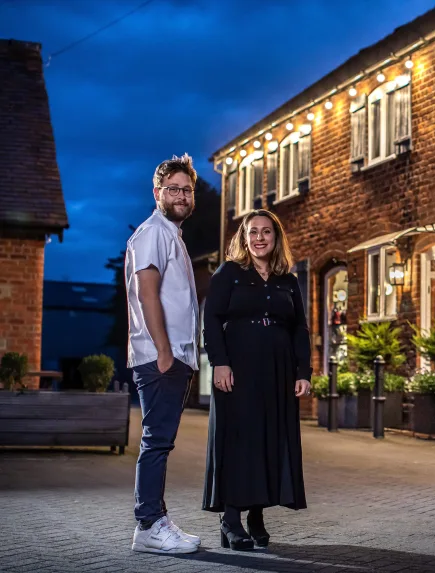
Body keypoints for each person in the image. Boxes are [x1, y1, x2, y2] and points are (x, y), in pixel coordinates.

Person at [202, 209, 312, 551]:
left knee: (268, 439)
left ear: (276, 238)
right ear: (244, 237)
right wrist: (219, 363)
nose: (259, 238)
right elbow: (211, 318)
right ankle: (231, 519)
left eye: (266, 232)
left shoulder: (287, 280)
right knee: (239, 440)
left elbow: (300, 328)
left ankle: (256, 516)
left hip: (278, 370)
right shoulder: (229, 273)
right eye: (253, 232)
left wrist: (303, 372)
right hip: (238, 367)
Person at [126, 154, 200, 554]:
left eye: (187, 190)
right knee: (156, 442)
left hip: (172, 358)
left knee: (161, 442)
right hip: (160, 359)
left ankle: (156, 518)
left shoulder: (171, 235)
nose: (181, 196)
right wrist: (165, 352)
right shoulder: (153, 232)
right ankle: (148, 525)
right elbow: (147, 293)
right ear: (157, 193)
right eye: (173, 189)